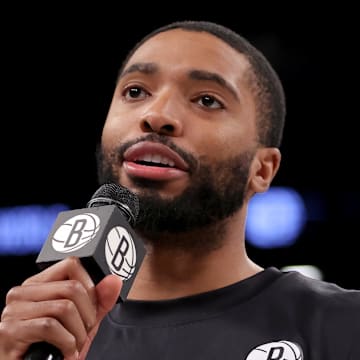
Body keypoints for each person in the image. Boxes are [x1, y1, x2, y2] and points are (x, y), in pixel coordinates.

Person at [0, 20, 359, 360]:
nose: (156, 115)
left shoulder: (343, 324)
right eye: (135, 91)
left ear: (262, 169)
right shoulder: (39, 335)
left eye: (206, 100)